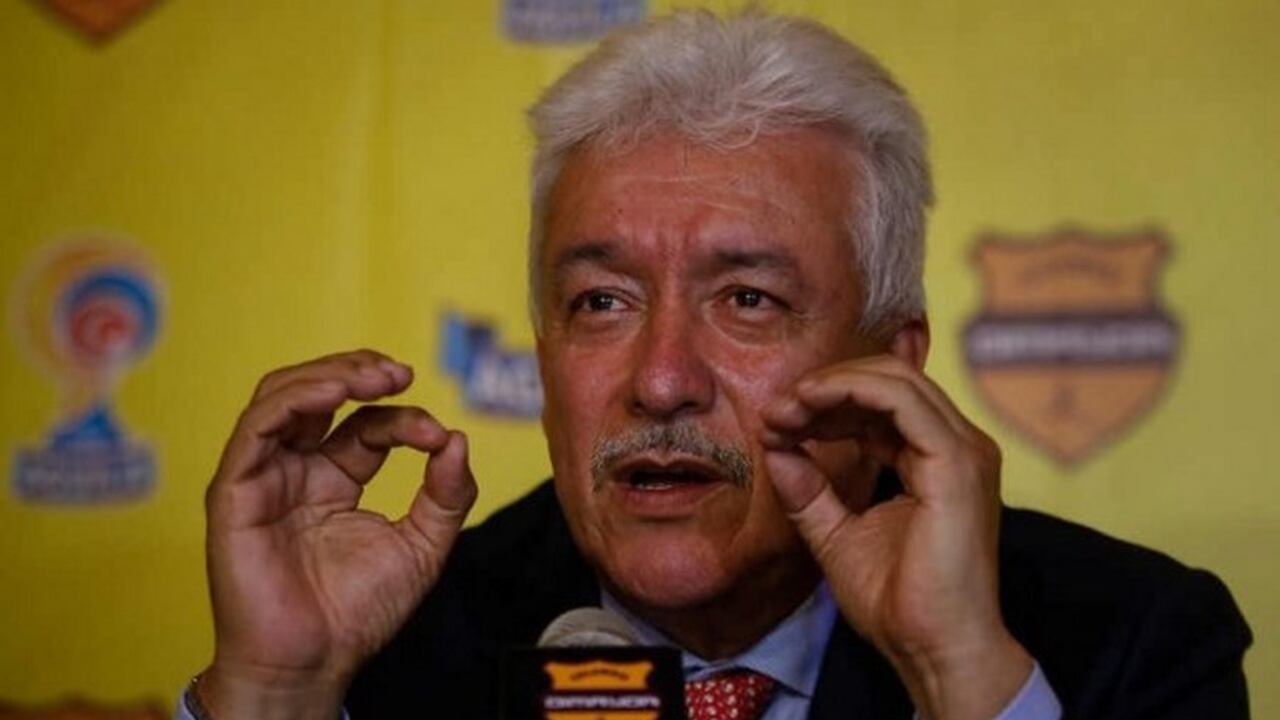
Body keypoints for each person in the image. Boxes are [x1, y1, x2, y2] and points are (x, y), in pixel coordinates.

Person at [178, 9, 1251, 720]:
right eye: (601, 302)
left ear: (892, 373)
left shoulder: (1127, 640)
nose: (659, 381)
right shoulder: (397, 651)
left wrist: (957, 675)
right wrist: (276, 691)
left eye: (747, 301)